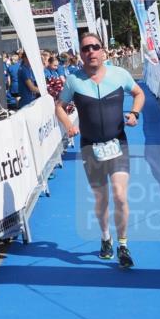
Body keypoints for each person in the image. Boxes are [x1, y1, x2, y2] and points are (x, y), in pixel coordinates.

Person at [56, 33, 146, 269]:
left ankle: (123, 245)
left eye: (95, 47)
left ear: (103, 50)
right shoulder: (74, 80)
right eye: (86, 48)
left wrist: (135, 113)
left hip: (117, 143)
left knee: (119, 194)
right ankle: (106, 237)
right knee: (102, 198)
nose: (91, 52)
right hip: (90, 146)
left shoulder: (119, 75)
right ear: (81, 53)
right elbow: (59, 106)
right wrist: (68, 126)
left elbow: (139, 93)